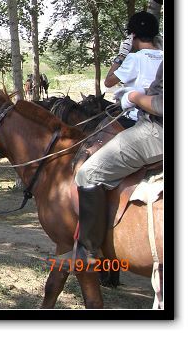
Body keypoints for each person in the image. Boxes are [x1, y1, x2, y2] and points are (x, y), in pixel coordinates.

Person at [73, 60, 163, 264]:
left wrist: (134, 97)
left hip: (158, 131)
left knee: (88, 173)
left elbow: (161, 104)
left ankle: (89, 251)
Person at [104, 11, 163, 127]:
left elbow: (108, 82)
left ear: (132, 35)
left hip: (136, 119)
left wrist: (121, 55)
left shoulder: (135, 58)